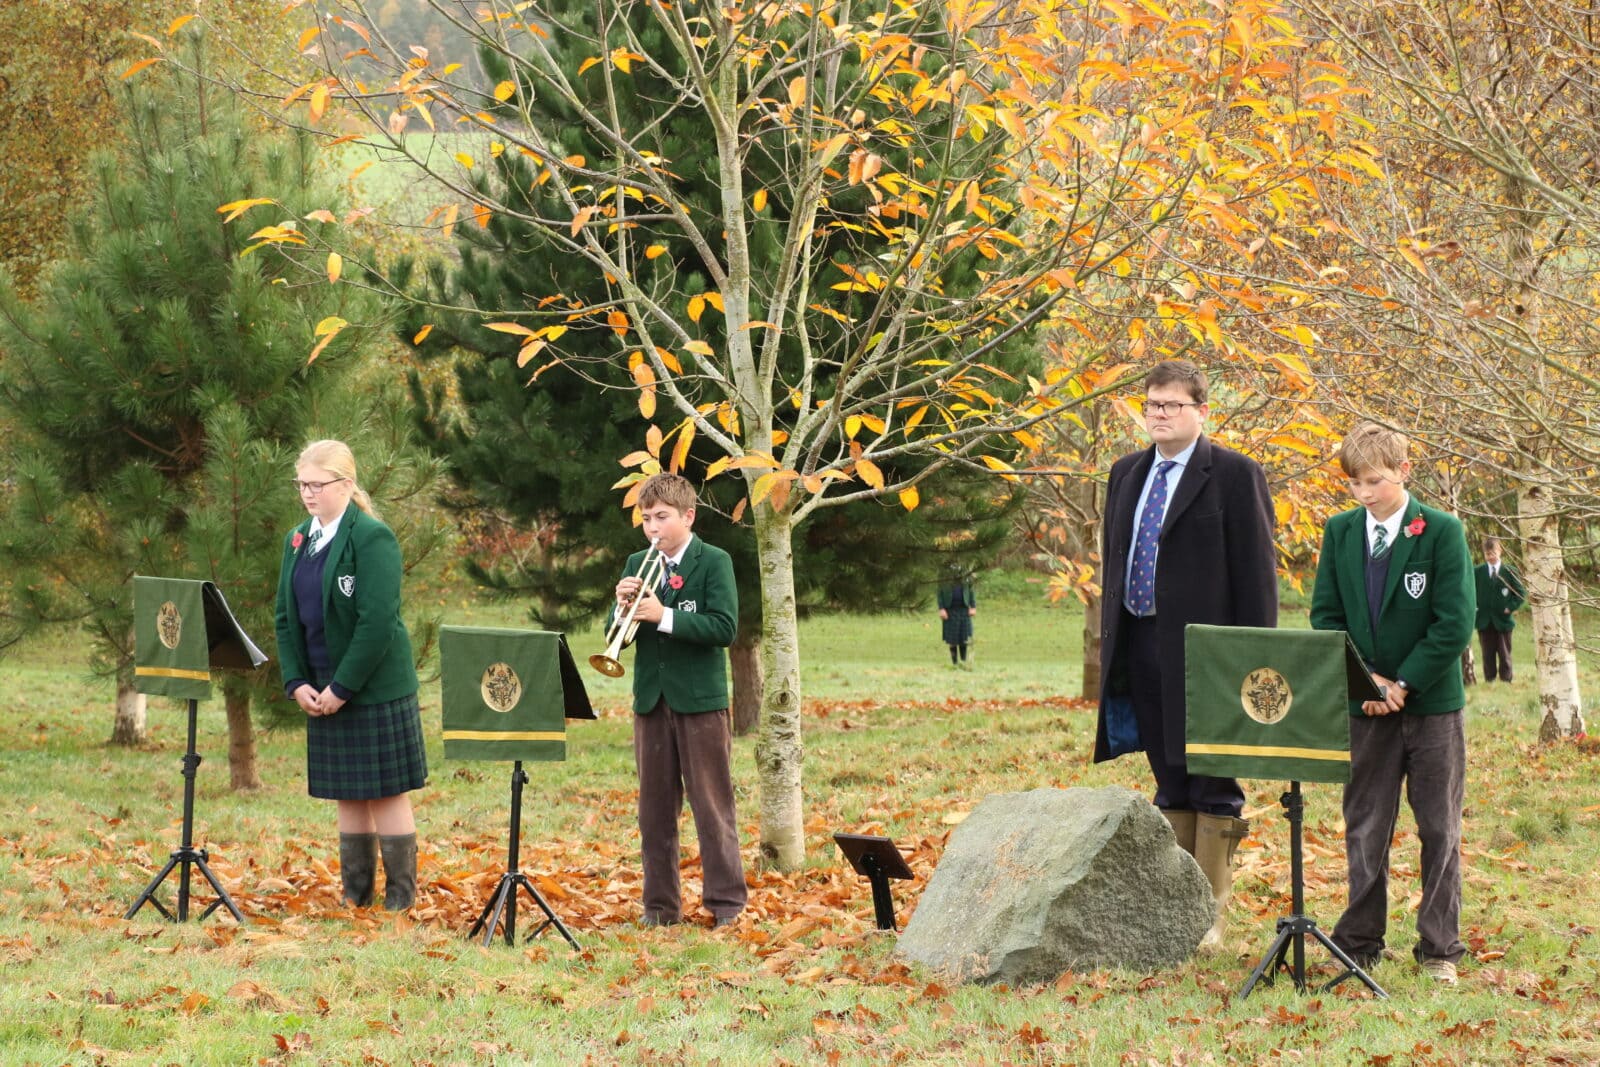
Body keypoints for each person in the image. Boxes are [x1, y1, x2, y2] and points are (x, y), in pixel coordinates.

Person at [1096, 359, 1278, 949]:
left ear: (1202, 411)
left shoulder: (1232, 474)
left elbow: (1256, 575)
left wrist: (1253, 658)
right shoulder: (1125, 474)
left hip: (1211, 653)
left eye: (1173, 405)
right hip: (1141, 642)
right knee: (1168, 775)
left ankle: (1210, 917)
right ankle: (1176, 911)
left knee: (1213, 776)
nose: (1159, 415)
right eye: (1151, 405)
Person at [1309, 422, 1474, 984]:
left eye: (1374, 481)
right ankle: (1359, 940)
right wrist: (1369, 684)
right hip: (1366, 710)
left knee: (1438, 828)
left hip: (1432, 710)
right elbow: (1326, 618)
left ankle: (1439, 949)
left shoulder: (1442, 531)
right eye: (1354, 484)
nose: (1364, 494)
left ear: (1404, 470)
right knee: (1366, 826)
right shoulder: (1340, 532)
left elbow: (1455, 623)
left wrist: (1402, 683)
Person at [274, 440, 427, 911]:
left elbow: (377, 621)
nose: (307, 493)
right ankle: (356, 897)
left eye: (316, 484)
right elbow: (285, 615)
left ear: (345, 484)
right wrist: (298, 681)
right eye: (301, 484)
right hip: (319, 684)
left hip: (373, 687)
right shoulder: (298, 539)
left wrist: (342, 688)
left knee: (384, 793)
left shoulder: (371, 537)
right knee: (348, 793)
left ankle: (400, 900)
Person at [612, 473, 745, 928]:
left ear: (688, 516)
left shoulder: (714, 562)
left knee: (712, 807)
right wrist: (621, 610)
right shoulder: (636, 561)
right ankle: (660, 909)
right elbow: (619, 638)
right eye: (647, 519)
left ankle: (726, 905)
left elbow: (724, 629)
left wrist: (663, 615)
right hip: (651, 701)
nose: (653, 528)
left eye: (662, 518)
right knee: (653, 814)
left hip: (701, 703)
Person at [1474, 537, 1525, 683]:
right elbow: (1469, 590)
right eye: (1487, 554)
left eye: (1493, 553)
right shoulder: (1477, 572)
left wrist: (1510, 607)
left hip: (1503, 620)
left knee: (1504, 652)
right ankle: (1489, 679)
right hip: (1484, 620)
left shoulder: (1509, 571)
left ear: (1500, 551)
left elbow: (1520, 593)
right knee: (1487, 653)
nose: (1490, 557)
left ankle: (1506, 679)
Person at [937, 571, 977, 669]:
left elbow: (971, 591)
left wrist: (973, 607)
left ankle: (963, 663)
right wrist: (941, 608)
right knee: (952, 639)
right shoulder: (944, 574)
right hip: (949, 610)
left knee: (964, 638)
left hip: (964, 610)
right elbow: (939, 592)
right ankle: (954, 664)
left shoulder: (967, 573)